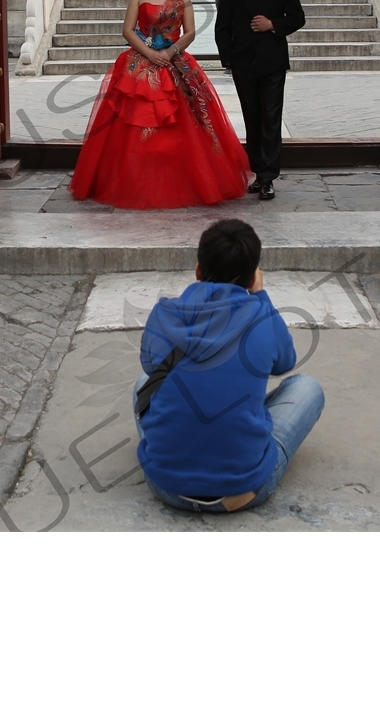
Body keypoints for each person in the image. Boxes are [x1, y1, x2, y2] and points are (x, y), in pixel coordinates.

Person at [134, 217, 325, 514]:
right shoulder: (260, 313)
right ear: (252, 279)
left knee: (140, 386)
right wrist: (261, 296)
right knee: (307, 388)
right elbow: (285, 361)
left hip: (167, 487)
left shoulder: (164, 314)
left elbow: (150, 368)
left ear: (198, 270)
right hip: (245, 490)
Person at [70, 0, 251, 208]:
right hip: (140, 63)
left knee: (191, 123)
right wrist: (149, 54)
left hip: (176, 62)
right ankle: (131, 183)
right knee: (132, 123)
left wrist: (170, 51)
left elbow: (189, 33)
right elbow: (128, 30)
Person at [214, 0, 305, 200]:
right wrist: (227, 56)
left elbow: (298, 17)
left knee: (270, 118)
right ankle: (257, 172)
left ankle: (268, 178)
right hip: (242, 61)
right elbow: (223, 25)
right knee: (252, 118)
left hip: (272, 60)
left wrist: (272, 24)